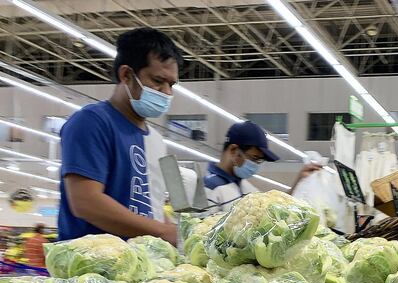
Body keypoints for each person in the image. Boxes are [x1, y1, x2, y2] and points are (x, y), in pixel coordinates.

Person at [58, 28, 182, 244]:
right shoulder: (92, 122)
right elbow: (85, 201)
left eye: (171, 85)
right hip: (90, 269)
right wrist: (162, 232)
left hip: (137, 267)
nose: (167, 92)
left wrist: (174, 229)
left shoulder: (155, 140)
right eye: (158, 81)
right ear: (126, 75)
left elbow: (150, 205)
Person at [204, 120, 321, 213]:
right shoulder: (210, 188)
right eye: (254, 158)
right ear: (234, 150)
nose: (255, 165)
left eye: (259, 161)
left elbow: (272, 207)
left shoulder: (243, 185)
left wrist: (300, 178)